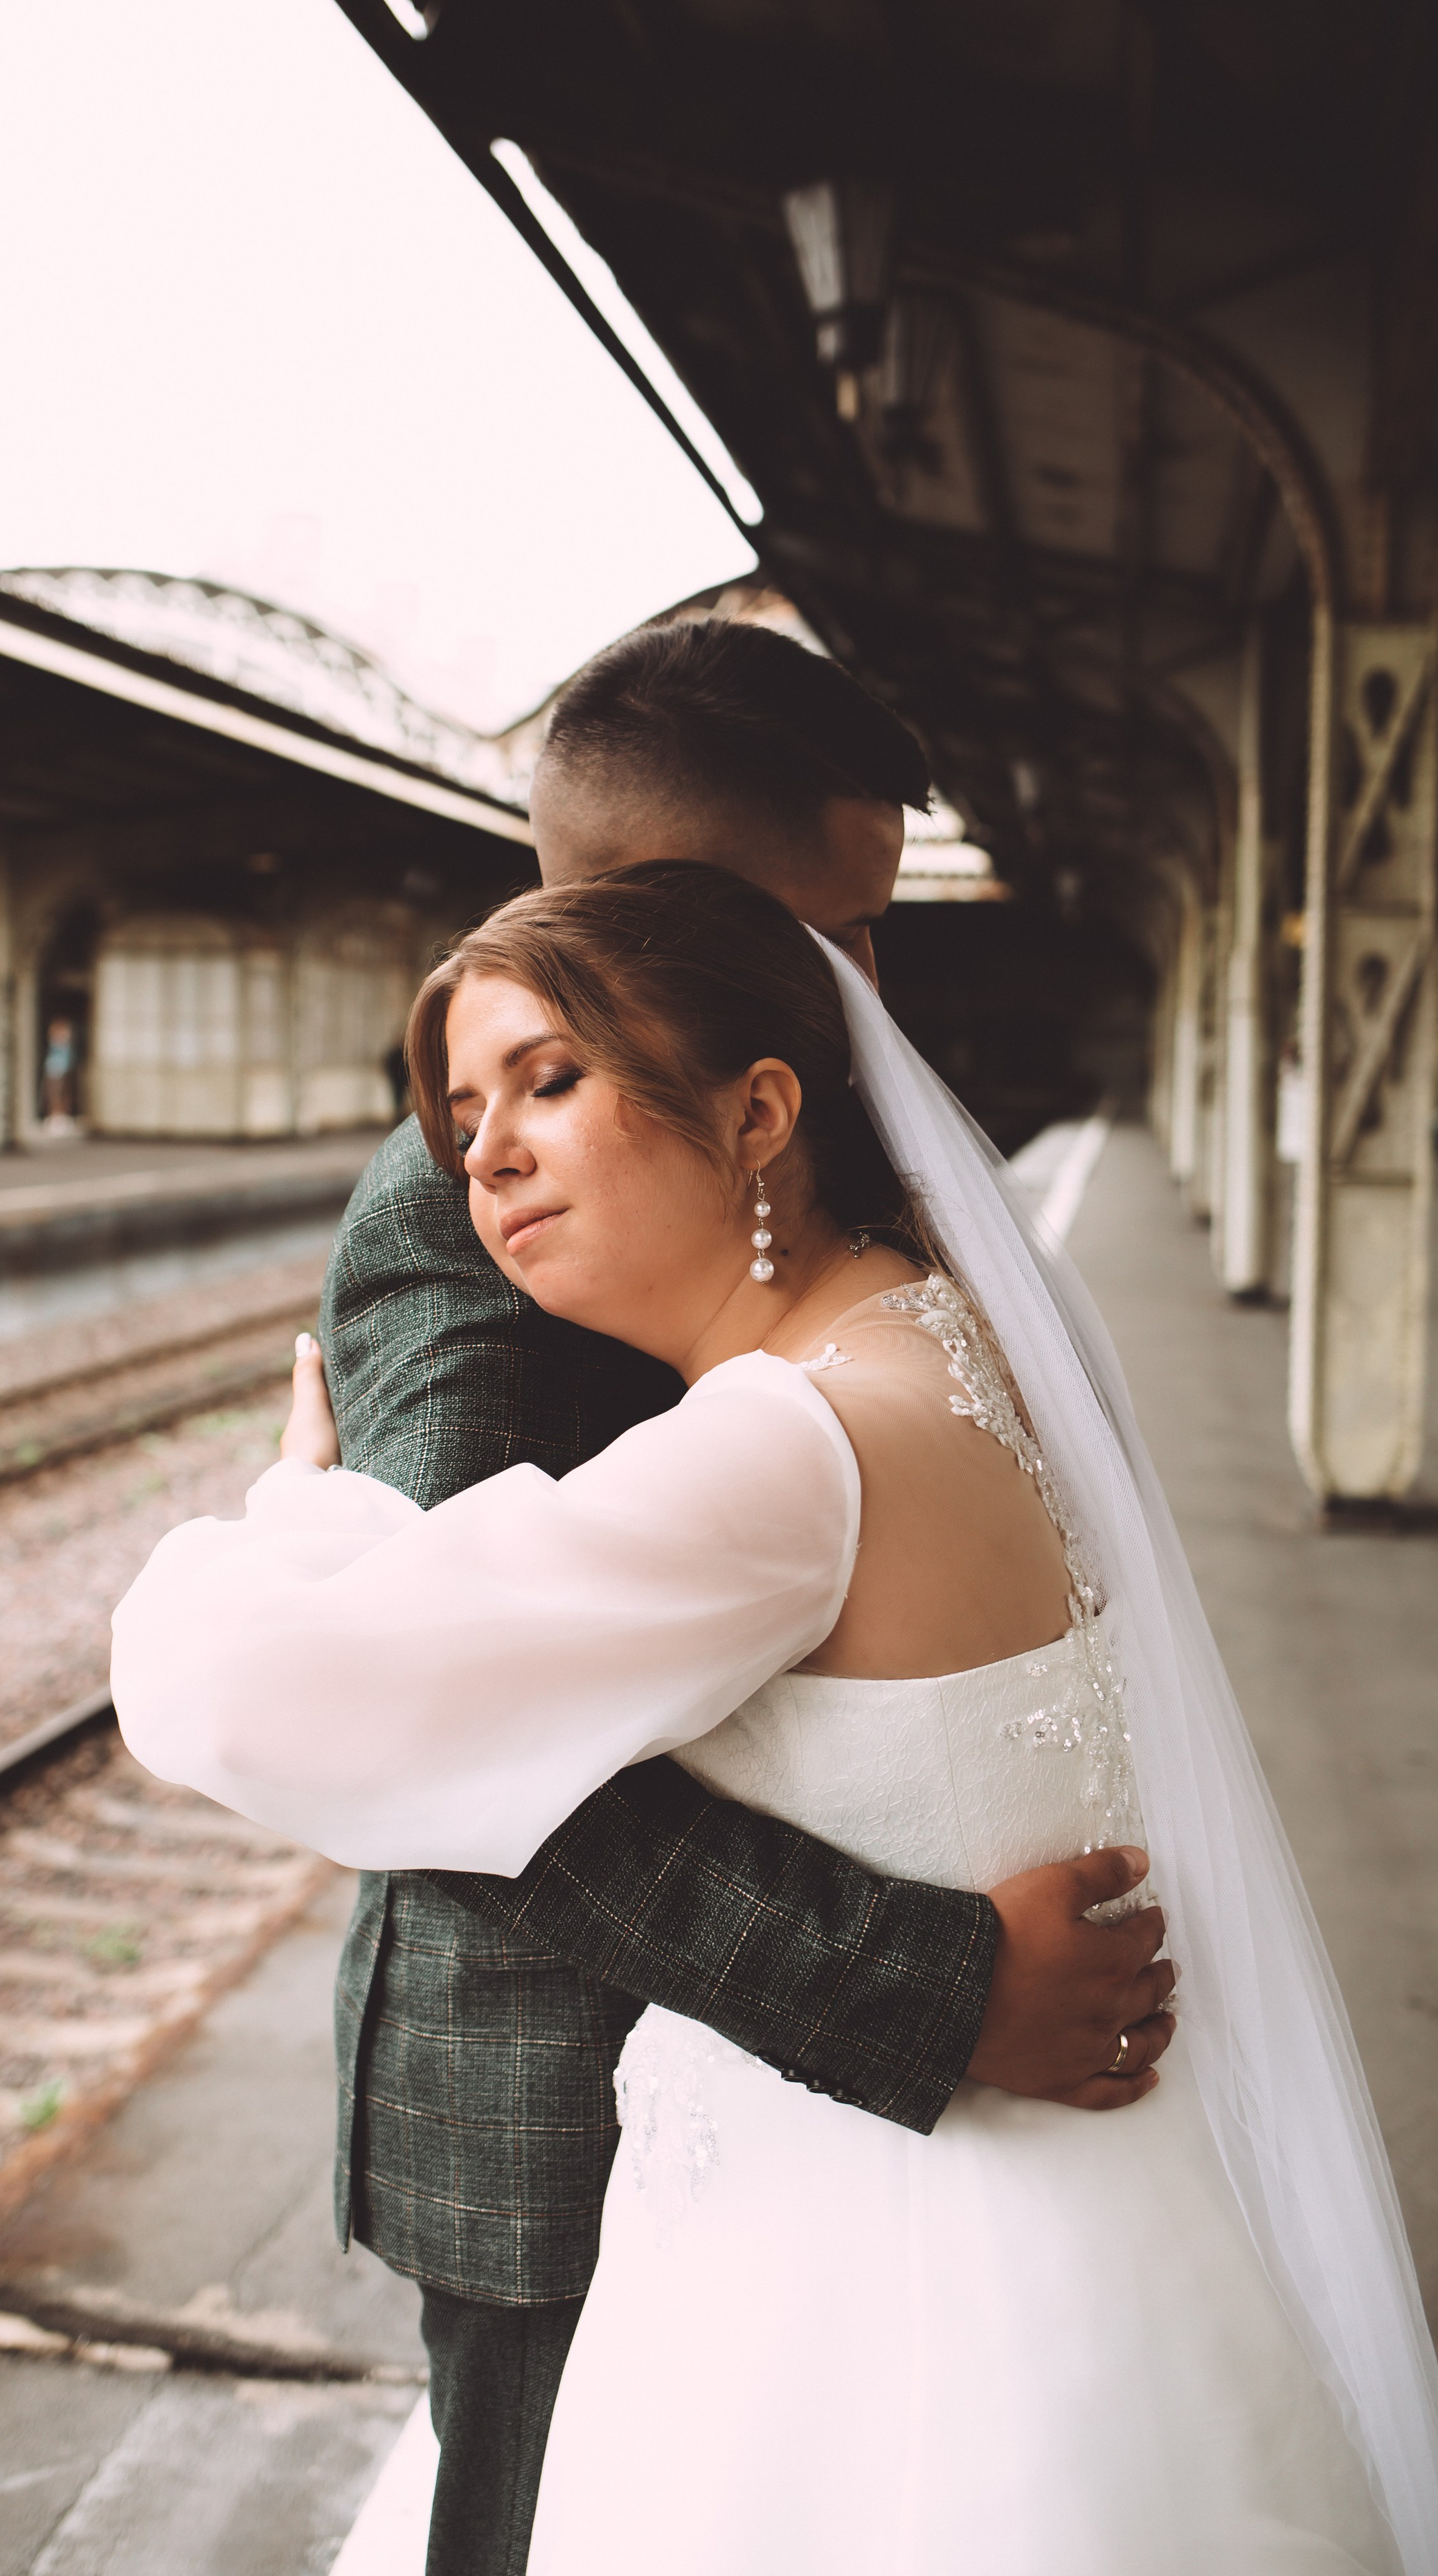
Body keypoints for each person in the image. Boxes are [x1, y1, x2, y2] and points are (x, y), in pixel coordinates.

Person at [115, 859, 1438, 2571]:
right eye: (459, 1109)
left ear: (756, 1117)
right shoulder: (937, 1330)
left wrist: (306, 1509)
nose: (481, 1158)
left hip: (856, 2274)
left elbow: (225, 1692)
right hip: (1074, 2228)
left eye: (550, 1079)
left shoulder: (778, 1448)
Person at [268, 626, 1168, 2576]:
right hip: (569, 2116)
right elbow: (438, 1742)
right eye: (833, 931)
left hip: (784, 2133)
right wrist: (939, 1992)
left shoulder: (808, 1143)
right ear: (647, 911)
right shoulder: (462, 1218)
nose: (870, 992)